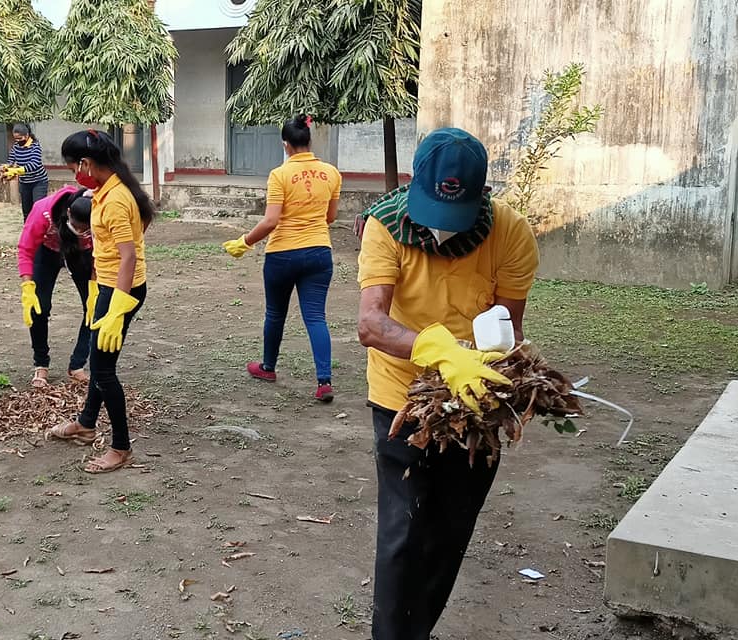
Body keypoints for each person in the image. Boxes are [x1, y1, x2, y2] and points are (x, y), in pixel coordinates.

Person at [354, 128, 539, 639]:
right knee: (404, 530)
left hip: (475, 400)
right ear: (415, 185)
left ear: (481, 195)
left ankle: (416, 632)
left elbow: (508, 326)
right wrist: (440, 351)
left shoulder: (510, 232)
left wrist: (491, 371)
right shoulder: (384, 225)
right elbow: (371, 324)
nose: (441, 231)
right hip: (401, 398)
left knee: (451, 528)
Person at [45, 130, 152, 474]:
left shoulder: (117, 198)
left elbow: (128, 256)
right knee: (99, 361)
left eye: (73, 168)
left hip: (121, 291)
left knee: (104, 371)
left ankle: (121, 448)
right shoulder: (107, 190)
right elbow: (121, 239)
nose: (74, 175)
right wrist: (96, 285)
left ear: (86, 163)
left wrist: (116, 308)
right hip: (108, 286)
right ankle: (86, 424)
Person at [223, 115, 340, 403]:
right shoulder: (331, 173)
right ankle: (324, 381)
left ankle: (268, 367)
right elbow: (330, 217)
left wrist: (244, 242)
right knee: (316, 317)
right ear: (309, 141)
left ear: (285, 145)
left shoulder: (280, 175)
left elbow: (271, 221)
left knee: (275, 314)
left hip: (282, 255)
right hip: (319, 252)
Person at [18, 185, 95, 388]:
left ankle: (77, 365)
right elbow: (25, 249)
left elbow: (101, 253)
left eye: (85, 229)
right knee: (39, 307)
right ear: (68, 213)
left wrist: (95, 285)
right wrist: (27, 286)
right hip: (47, 252)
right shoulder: (42, 211)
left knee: (94, 307)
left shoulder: (100, 214)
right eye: (78, 227)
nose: (81, 232)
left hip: (81, 254)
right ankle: (41, 363)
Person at [7, 123, 50, 220]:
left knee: (38, 208)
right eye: (16, 139)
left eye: (20, 138)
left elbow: (34, 164)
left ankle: (40, 228)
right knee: (26, 211)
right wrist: (6, 169)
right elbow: (11, 160)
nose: (18, 141)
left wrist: (17, 171)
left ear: (26, 135)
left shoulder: (35, 146)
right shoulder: (16, 147)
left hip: (39, 182)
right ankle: (27, 228)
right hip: (24, 183)